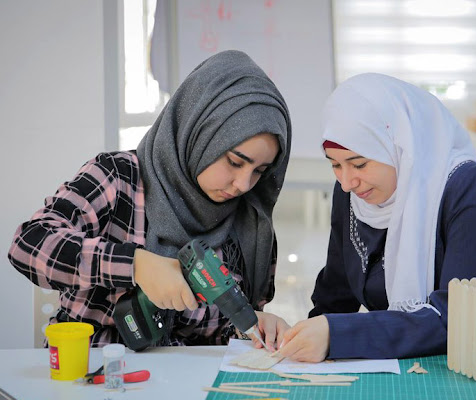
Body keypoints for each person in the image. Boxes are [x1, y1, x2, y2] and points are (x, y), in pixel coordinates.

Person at [8, 50, 292, 349]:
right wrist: (135, 265)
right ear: (199, 134)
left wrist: (252, 328)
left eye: (259, 171)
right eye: (234, 162)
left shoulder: (250, 223)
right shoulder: (117, 177)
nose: (243, 184)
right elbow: (29, 244)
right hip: (91, 370)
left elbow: (218, 336)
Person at [279, 73, 476, 362]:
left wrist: (337, 335)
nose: (347, 181)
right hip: (397, 365)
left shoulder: (469, 187)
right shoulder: (352, 193)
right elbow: (335, 296)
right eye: (335, 165)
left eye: (359, 163)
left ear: (399, 148)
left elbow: (459, 319)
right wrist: (301, 337)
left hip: (463, 366)